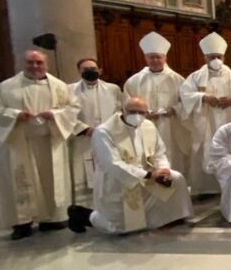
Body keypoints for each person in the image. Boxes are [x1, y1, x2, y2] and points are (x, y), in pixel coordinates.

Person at [0, 49, 80, 239]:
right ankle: (22, 223)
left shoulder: (59, 86)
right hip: (19, 143)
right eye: (31, 62)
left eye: (39, 63)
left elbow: (73, 108)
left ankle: (52, 218)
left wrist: (55, 115)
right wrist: (15, 115)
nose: (35, 66)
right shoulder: (6, 87)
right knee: (20, 181)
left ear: (47, 65)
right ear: (23, 63)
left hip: (49, 141)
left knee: (51, 181)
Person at [75, 96, 193, 234]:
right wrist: (148, 175)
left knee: (176, 178)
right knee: (119, 229)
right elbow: (112, 165)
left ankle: (172, 217)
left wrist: (163, 169)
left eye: (141, 112)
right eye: (132, 111)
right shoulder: (104, 132)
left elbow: (159, 152)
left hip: (146, 176)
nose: (137, 116)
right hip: (118, 181)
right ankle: (81, 214)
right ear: (122, 110)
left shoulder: (148, 126)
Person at [179, 32, 231, 195]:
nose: (215, 60)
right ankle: (206, 188)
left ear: (224, 57)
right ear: (205, 58)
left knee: (229, 149)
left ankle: (230, 185)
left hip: (228, 118)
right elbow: (185, 95)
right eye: (211, 56)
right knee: (204, 150)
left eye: (219, 56)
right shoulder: (195, 77)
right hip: (205, 120)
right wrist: (203, 97)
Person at [124, 31, 189, 174]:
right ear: (145, 58)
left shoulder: (177, 79)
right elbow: (126, 103)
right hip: (143, 123)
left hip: (170, 124)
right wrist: (140, 113)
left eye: (158, 57)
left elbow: (186, 102)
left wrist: (174, 109)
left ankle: (173, 183)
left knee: (170, 154)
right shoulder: (135, 80)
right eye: (151, 57)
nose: (154, 60)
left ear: (165, 57)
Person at [68, 58, 122, 211]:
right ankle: (85, 210)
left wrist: (108, 129)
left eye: (93, 68)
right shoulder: (69, 90)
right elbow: (66, 114)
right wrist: (85, 129)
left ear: (100, 69)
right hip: (83, 139)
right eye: (85, 69)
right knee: (83, 174)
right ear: (79, 71)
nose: (90, 71)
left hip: (107, 137)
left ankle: (109, 206)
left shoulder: (113, 89)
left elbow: (119, 111)